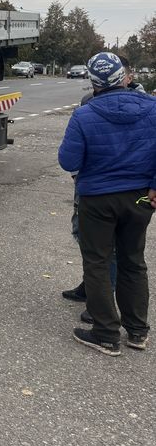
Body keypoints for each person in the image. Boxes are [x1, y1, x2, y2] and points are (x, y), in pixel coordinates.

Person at [58, 52, 156, 356]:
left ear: (94, 82)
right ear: (124, 76)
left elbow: (68, 161)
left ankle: (105, 333)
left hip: (97, 199)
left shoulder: (84, 115)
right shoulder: (152, 108)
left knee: (98, 262)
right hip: (139, 197)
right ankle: (137, 332)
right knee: (133, 261)